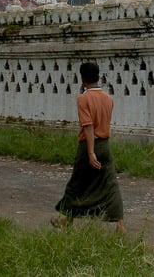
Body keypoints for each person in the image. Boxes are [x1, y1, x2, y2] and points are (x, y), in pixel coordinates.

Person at [51, 61, 125, 232]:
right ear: (99, 77)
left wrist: (91, 152)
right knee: (110, 183)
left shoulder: (83, 99)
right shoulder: (108, 99)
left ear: (82, 79)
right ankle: (120, 224)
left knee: (77, 183)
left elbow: (88, 126)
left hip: (88, 146)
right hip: (105, 146)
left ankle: (67, 219)